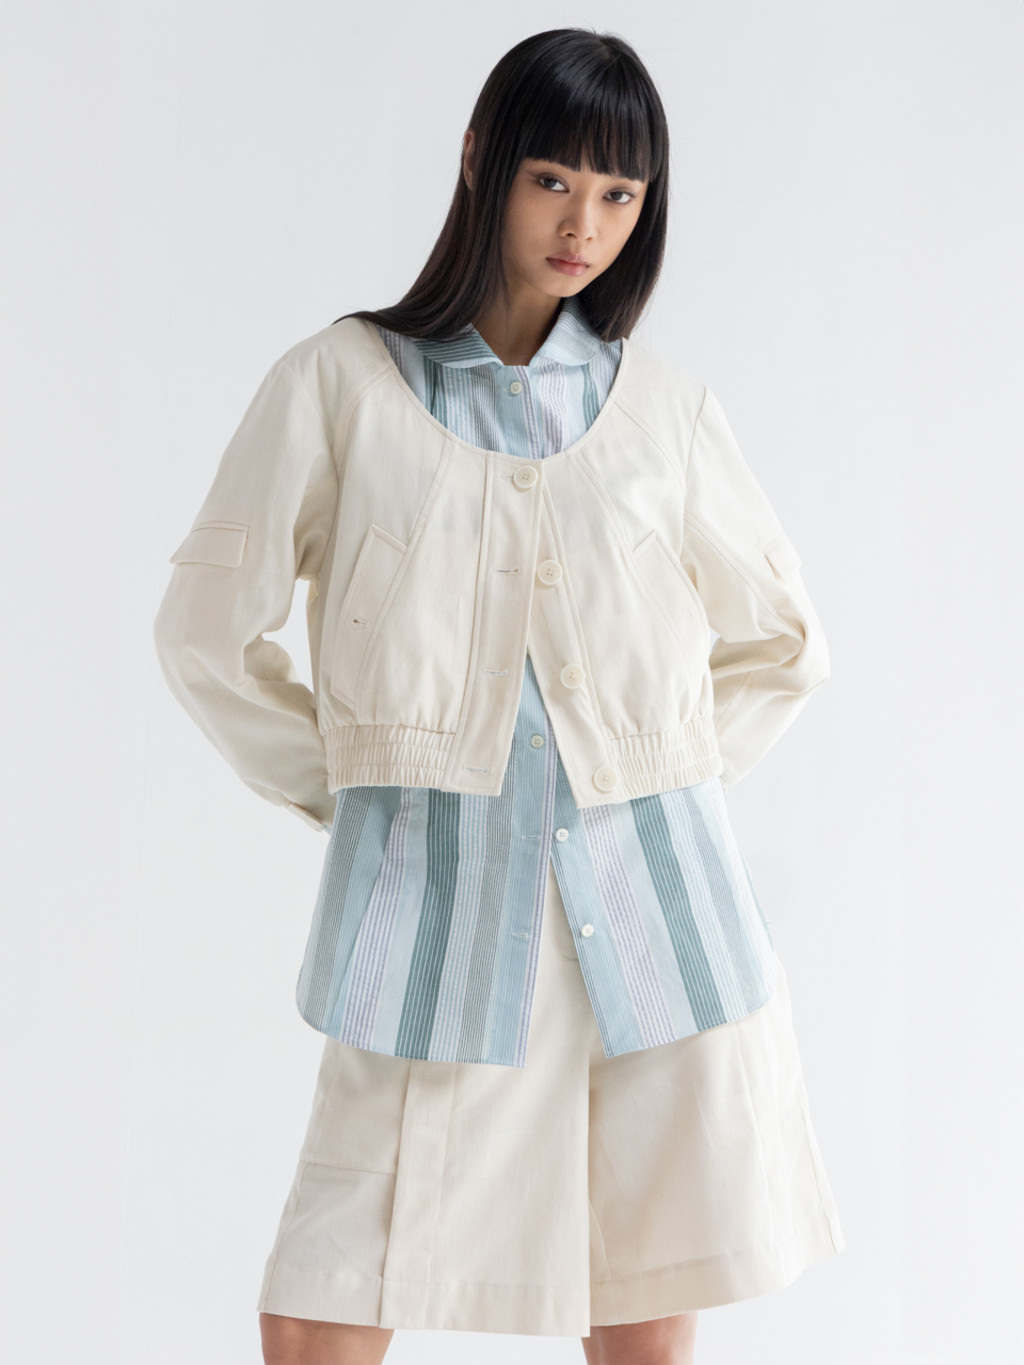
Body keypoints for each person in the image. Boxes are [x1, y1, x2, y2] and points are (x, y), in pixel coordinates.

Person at [153, 26, 845, 1365]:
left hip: (658, 923)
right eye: (553, 180)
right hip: (434, 915)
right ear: (481, 163)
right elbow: (204, 634)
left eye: (620, 193)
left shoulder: (665, 413)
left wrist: (650, 772)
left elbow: (787, 644)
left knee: (642, 1315)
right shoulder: (340, 385)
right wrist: (356, 784)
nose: (585, 225)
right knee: (324, 1298)